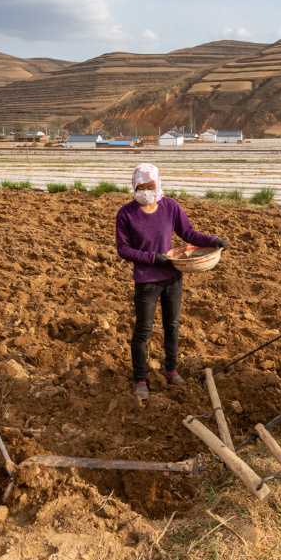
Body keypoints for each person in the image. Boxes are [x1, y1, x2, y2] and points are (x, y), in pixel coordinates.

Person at [115, 164, 227, 400]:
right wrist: (151, 258)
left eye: (150, 186)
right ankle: (140, 380)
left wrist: (213, 240)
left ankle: (171, 370)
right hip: (146, 281)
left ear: (158, 184)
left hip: (173, 277)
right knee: (143, 331)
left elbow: (189, 233)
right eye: (140, 187)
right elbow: (123, 249)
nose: (145, 191)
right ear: (134, 187)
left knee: (172, 326)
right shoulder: (126, 214)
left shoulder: (170, 206)